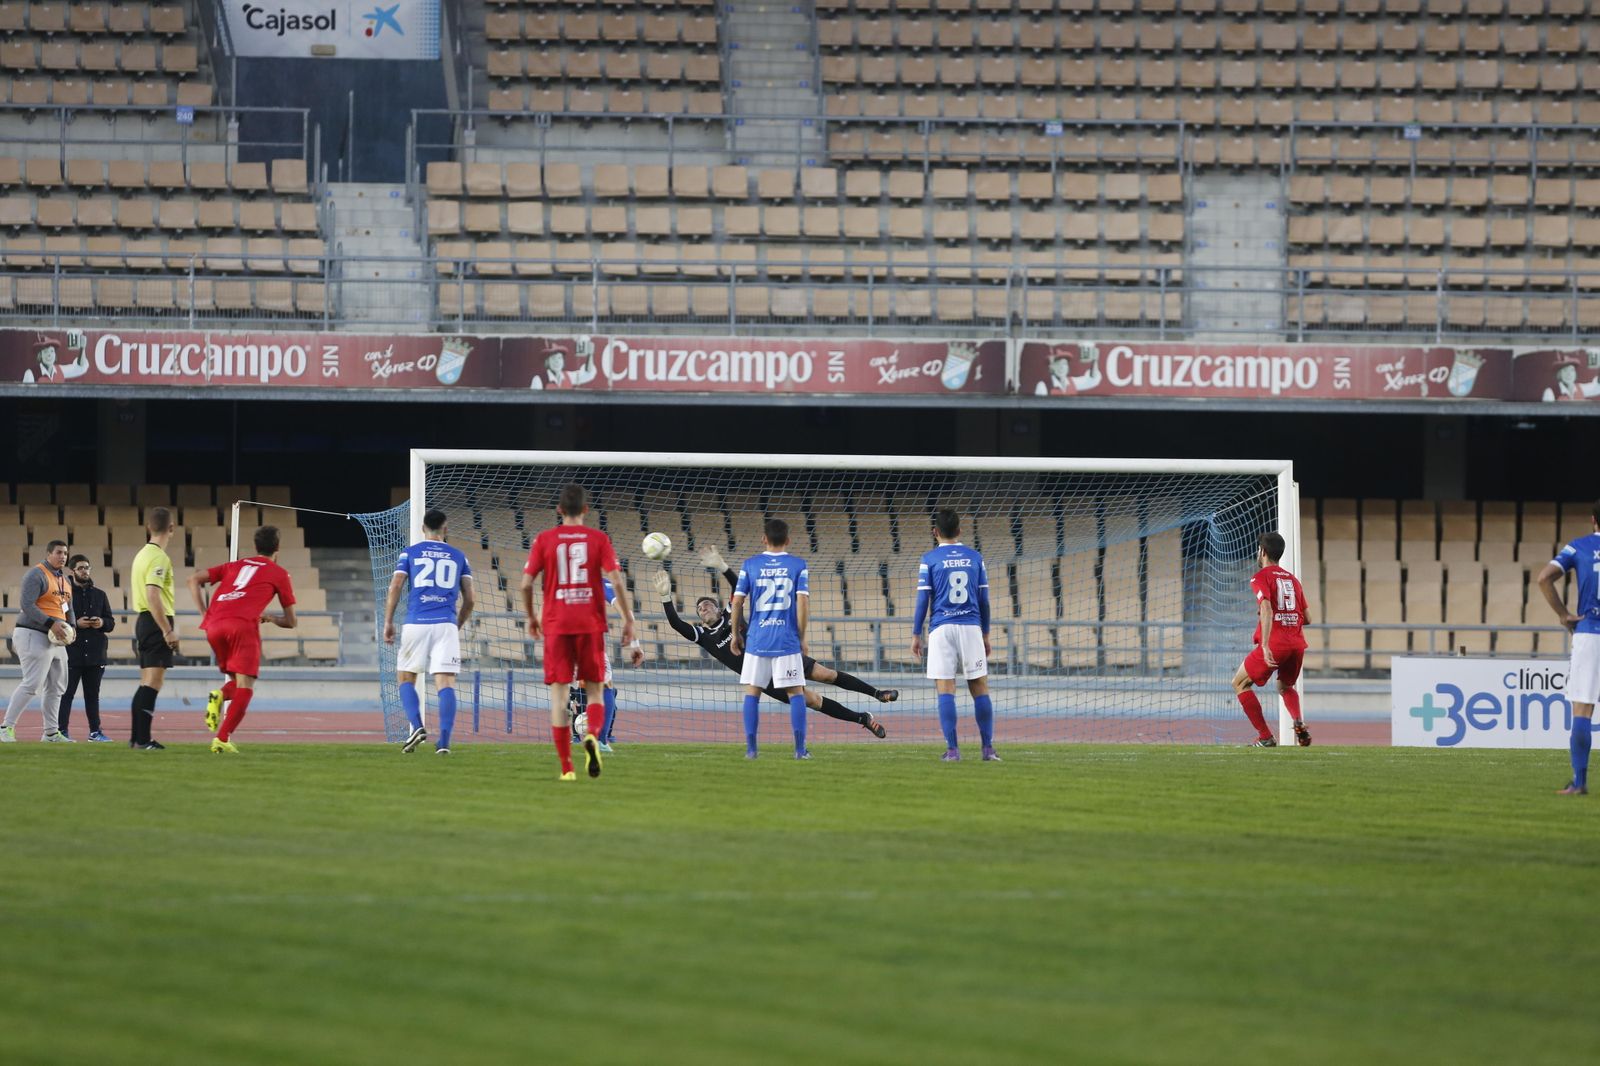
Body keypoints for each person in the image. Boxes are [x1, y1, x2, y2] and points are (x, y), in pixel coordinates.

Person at [652, 545, 895, 737]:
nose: (703, 608)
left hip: (778, 652)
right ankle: (863, 719)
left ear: (718, 607)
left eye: (707, 604)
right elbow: (675, 624)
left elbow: (738, 588)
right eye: (699, 609)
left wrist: (723, 567)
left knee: (827, 675)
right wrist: (665, 597)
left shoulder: (730, 615)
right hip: (762, 676)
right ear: (700, 619)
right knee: (813, 701)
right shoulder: (704, 636)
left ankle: (877, 693)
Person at [522, 484, 637, 781]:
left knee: (559, 697)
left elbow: (525, 584)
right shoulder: (599, 539)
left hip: (557, 626)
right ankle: (596, 738)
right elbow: (616, 583)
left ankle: (567, 767)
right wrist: (628, 622)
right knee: (600, 688)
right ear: (586, 510)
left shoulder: (544, 539)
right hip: (589, 626)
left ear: (559, 510)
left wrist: (531, 617)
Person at [188, 526, 298, 754]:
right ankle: (222, 738)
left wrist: (204, 614)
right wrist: (270, 618)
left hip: (214, 626)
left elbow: (193, 579)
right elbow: (291, 622)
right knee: (246, 687)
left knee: (237, 682)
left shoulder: (234, 565)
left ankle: (220, 696)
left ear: (256, 546)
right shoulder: (279, 573)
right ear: (277, 547)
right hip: (241, 626)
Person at [382, 509, 473, 756]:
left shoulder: (410, 553)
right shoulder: (459, 556)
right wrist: (456, 625)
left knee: (405, 677)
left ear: (423, 529)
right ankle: (443, 742)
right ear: (445, 529)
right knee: (445, 683)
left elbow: (396, 586)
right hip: (445, 623)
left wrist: (388, 621)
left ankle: (418, 727)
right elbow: (470, 600)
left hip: (416, 621)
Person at [912, 509, 999, 762]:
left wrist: (916, 633)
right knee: (980, 687)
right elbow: (984, 600)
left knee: (945, 688)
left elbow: (922, 600)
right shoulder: (975, 557)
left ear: (934, 532)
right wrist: (985, 633)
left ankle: (952, 750)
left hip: (941, 628)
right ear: (960, 531)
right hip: (971, 626)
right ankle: (987, 749)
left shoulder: (929, 559)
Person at [728, 518, 812, 760]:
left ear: (764, 538)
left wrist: (735, 634)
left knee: (753, 692)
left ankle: (752, 750)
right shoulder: (798, 565)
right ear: (788, 540)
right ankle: (799, 750)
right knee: (796, 692)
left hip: (757, 639)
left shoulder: (750, 565)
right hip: (786, 639)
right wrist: (802, 636)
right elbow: (803, 602)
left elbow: (737, 601)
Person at [1537, 499, 1600, 795]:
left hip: (1590, 631)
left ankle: (1580, 782)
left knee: (1582, 711)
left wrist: (1563, 615)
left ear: (1593, 520)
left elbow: (1544, 578)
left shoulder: (1579, 546)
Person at [1232, 532, 1313, 748]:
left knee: (1239, 683)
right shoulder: (1293, 579)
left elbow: (1266, 608)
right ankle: (1297, 720)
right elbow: (1308, 618)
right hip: (1297, 644)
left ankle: (1266, 737)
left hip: (1276, 643)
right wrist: (1288, 618)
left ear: (1263, 552)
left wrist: (1266, 644)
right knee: (1285, 686)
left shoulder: (1260, 577)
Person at [0, 540, 77, 743]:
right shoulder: (36, 574)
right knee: (32, 684)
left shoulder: (65, 580)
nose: (63, 556)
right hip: (32, 633)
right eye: (59, 552)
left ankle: (51, 733)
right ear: (49, 553)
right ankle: (5, 728)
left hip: (57, 639)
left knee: (57, 687)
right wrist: (51, 623)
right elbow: (27, 604)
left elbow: (68, 607)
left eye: (65, 553)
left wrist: (73, 627)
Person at [565, 577, 641, 754]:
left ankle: (577, 731)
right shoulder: (599, 581)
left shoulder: (561, 578)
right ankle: (600, 740)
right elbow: (627, 613)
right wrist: (635, 644)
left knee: (580, 688)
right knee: (605, 687)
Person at [128, 506, 180, 750]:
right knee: (154, 682)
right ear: (171, 528)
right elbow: (153, 594)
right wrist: (167, 630)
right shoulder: (159, 558)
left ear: (148, 527)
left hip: (144, 620)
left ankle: (136, 738)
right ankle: (143, 739)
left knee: (145, 681)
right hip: (155, 621)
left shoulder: (141, 555)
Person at [59, 554, 114, 742]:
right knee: (67, 695)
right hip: (72, 652)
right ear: (72, 571)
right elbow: (60, 620)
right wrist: (76, 624)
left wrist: (101, 622)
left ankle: (95, 732)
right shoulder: (66, 595)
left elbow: (111, 622)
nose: (85, 571)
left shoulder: (100, 594)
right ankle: (61, 731)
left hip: (95, 654)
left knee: (93, 696)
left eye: (87, 567)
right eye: (81, 568)